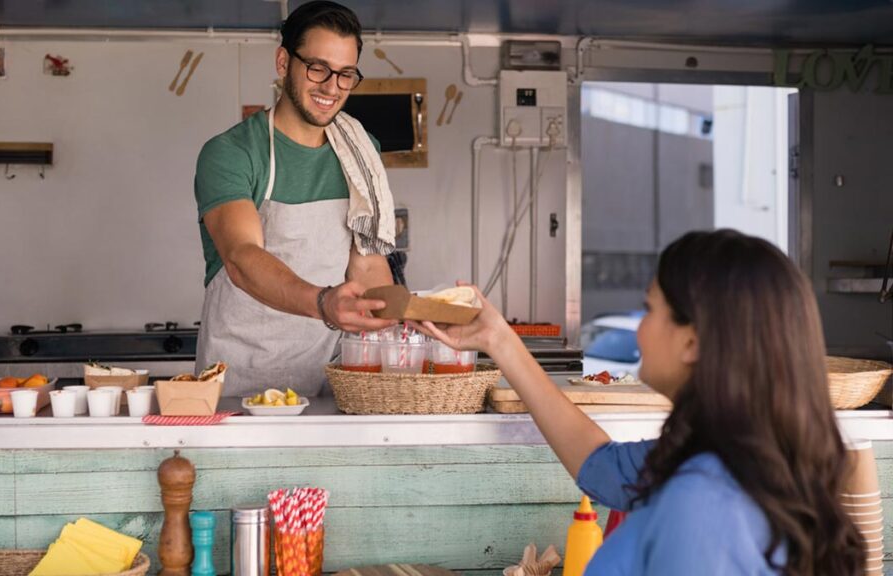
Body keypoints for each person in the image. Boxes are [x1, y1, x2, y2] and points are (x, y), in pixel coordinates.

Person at [414, 230, 865, 575]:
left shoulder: (702, 504)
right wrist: (498, 339)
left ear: (692, 340)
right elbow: (600, 467)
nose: (640, 328)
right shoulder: (736, 456)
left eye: (650, 310)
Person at [194, 1, 397, 396]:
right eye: (317, 68)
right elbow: (241, 259)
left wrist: (406, 323)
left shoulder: (361, 153)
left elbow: (368, 268)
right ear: (284, 62)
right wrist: (324, 304)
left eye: (346, 74)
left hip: (329, 387)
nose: (332, 87)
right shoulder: (233, 152)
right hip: (239, 387)